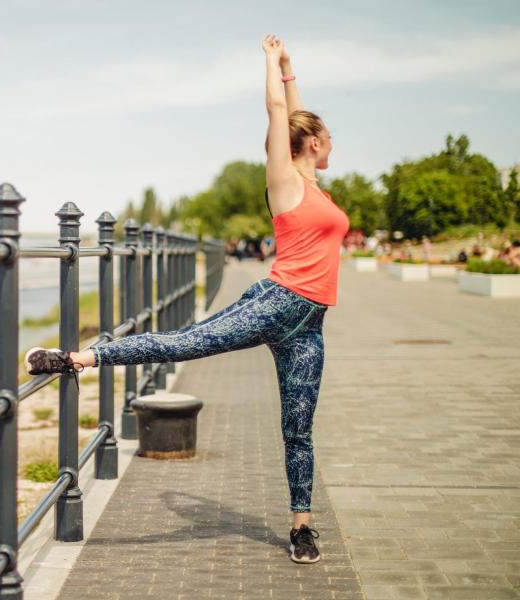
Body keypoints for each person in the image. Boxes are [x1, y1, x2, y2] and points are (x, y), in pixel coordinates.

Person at [24, 34, 348, 565]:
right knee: (185, 343)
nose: (333, 142)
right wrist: (271, 64)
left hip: (309, 324)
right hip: (275, 301)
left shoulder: (317, 187)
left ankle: (302, 524)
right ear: (312, 143)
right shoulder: (284, 182)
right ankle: (76, 358)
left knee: (299, 425)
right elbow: (279, 114)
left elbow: (294, 114)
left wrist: (291, 70)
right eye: (328, 136)